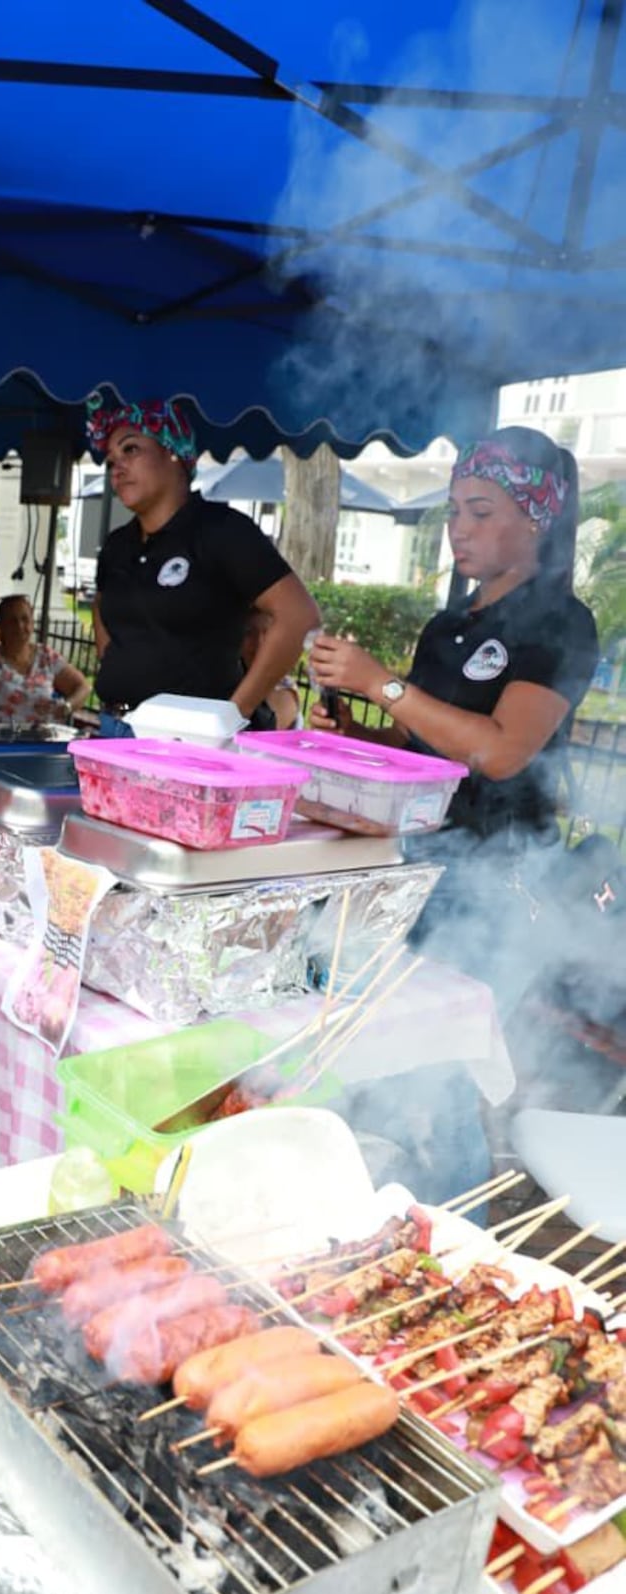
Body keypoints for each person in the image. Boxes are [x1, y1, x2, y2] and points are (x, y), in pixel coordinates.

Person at [307, 426, 598, 1201]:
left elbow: (502, 752)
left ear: (534, 519)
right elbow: (425, 749)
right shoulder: (448, 626)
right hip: (414, 872)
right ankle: (394, 1214)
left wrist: (382, 685)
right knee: (389, 1064)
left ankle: (455, 1232)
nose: (457, 530)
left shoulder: (562, 624)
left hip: (497, 883)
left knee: (441, 1080)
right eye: (452, 511)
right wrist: (362, 730)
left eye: (479, 511)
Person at [86, 393, 319, 732]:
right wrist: (118, 665)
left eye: (131, 449)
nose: (116, 468)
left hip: (186, 737)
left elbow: (298, 614)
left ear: (174, 453)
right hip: (115, 725)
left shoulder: (222, 530)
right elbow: (102, 605)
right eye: (110, 460)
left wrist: (233, 714)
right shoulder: (117, 544)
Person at [0, 593, 91, 727]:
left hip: (46, 739)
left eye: (25, 619)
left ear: (32, 623)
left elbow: (83, 687)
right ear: (2, 626)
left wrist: (66, 707)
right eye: (12, 621)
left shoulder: (46, 656)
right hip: (4, 742)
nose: (20, 626)